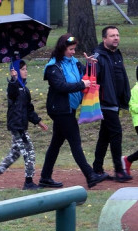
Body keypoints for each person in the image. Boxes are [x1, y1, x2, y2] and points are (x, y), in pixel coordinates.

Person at [38, 34, 108, 190]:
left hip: (69, 108)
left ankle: (45, 177)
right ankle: (90, 175)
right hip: (60, 110)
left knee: (56, 143)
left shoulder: (75, 63)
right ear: (62, 49)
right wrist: (81, 85)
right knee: (75, 142)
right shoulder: (52, 67)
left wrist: (90, 65)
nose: (73, 52)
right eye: (70, 49)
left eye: (74, 49)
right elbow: (61, 86)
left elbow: (86, 76)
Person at [0, 59, 50, 191]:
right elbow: (12, 92)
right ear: (15, 71)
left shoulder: (25, 90)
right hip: (17, 126)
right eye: (23, 69)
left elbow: (29, 110)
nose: (26, 71)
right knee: (29, 152)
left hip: (22, 125)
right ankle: (28, 182)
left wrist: (39, 122)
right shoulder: (13, 86)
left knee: (15, 153)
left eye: (26, 69)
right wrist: (14, 79)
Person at [92, 26, 132, 182]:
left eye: (117, 35)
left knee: (105, 136)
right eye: (112, 36)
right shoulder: (98, 56)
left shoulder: (116, 54)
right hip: (105, 103)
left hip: (116, 102)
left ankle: (97, 169)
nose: (116, 38)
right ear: (104, 39)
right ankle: (119, 171)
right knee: (116, 133)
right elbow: (91, 77)